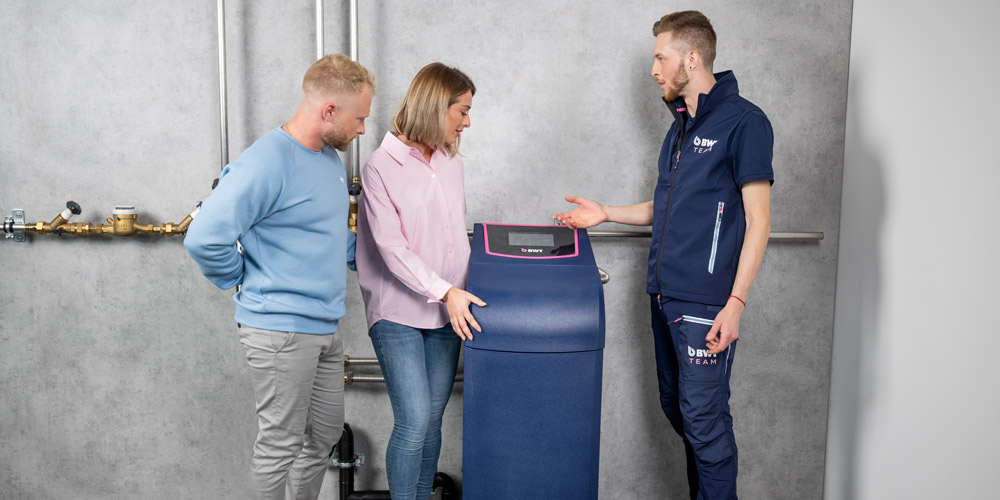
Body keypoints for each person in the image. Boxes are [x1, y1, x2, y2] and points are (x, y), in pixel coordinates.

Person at [554, 11, 773, 500]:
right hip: (663, 296)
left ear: (691, 58)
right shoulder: (680, 130)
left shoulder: (745, 123)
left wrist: (735, 304)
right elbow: (670, 206)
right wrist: (605, 212)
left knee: (704, 419)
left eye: (661, 57)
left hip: (707, 301)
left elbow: (760, 220)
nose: (654, 69)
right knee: (679, 409)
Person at [184, 54, 375, 500]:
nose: (362, 130)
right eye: (359, 118)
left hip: (324, 328)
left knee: (323, 436)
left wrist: (376, 260)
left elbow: (326, 237)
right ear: (329, 110)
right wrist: (243, 278)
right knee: (279, 447)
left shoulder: (328, 160)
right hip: (279, 330)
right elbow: (203, 238)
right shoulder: (267, 161)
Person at [355, 62, 482, 500]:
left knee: (431, 419)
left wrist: (468, 288)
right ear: (436, 106)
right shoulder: (380, 167)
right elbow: (392, 250)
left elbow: (453, 239)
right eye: (462, 111)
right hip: (397, 312)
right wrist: (446, 291)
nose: (468, 121)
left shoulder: (451, 162)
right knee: (412, 420)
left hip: (449, 312)